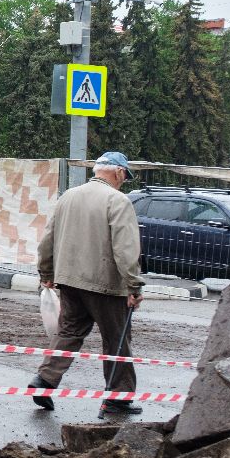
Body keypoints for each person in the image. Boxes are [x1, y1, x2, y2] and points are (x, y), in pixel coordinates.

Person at [31, 151, 145, 418]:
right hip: (106, 284)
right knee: (117, 339)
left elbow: (47, 240)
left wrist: (46, 273)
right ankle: (118, 398)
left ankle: (44, 382)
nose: (123, 182)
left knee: (68, 333)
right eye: (124, 177)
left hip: (69, 281)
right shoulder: (118, 201)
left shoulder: (68, 197)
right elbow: (126, 248)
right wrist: (134, 286)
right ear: (118, 172)